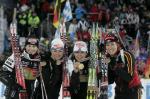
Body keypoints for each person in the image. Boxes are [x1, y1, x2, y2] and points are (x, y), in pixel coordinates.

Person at [104, 33, 142, 99]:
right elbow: (111, 80)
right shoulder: (109, 58)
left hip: (133, 92)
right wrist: (102, 73)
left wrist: (114, 65)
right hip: (119, 92)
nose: (110, 47)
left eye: (112, 44)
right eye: (107, 45)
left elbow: (129, 78)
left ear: (117, 44)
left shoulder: (127, 55)